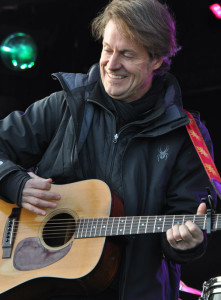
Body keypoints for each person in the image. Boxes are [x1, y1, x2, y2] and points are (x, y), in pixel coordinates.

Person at [0, 0, 216, 299]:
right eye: (107, 49)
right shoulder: (66, 105)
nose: (111, 64)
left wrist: (186, 243)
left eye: (127, 54)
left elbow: (186, 221)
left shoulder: (186, 134)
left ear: (156, 59)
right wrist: (13, 182)